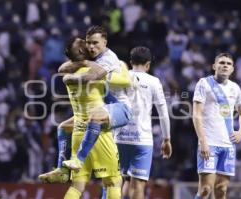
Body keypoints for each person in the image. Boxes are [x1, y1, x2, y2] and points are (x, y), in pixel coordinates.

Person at [39, 25, 132, 183]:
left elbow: (92, 77)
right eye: (88, 42)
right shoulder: (91, 58)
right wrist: (85, 63)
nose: (91, 46)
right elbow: (63, 67)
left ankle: (79, 159)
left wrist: (71, 78)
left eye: (95, 43)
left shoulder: (108, 58)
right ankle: (62, 170)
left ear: (105, 42)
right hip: (102, 107)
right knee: (63, 127)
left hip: (120, 107)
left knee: (94, 118)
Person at [57, 38, 123, 198]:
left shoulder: (70, 72)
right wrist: (86, 63)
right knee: (113, 181)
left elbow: (63, 68)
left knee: (77, 186)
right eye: (83, 43)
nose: (88, 44)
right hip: (99, 131)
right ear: (80, 50)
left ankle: (61, 166)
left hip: (79, 133)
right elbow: (99, 73)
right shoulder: (93, 70)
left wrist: (81, 63)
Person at [115, 46, 172, 199]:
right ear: (148, 65)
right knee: (137, 185)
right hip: (142, 140)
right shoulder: (154, 81)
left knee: (117, 182)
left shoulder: (119, 78)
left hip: (119, 138)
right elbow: (163, 113)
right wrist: (167, 139)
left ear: (130, 62)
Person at [192, 53, 241, 199]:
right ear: (214, 66)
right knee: (205, 189)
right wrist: (202, 141)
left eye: (228, 64)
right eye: (222, 62)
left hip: (228, 144)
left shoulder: (235, 88)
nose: (225, 65)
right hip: (208, 142)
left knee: (221, 189)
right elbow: (196, 114)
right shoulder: (204, 83)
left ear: (233, 69)